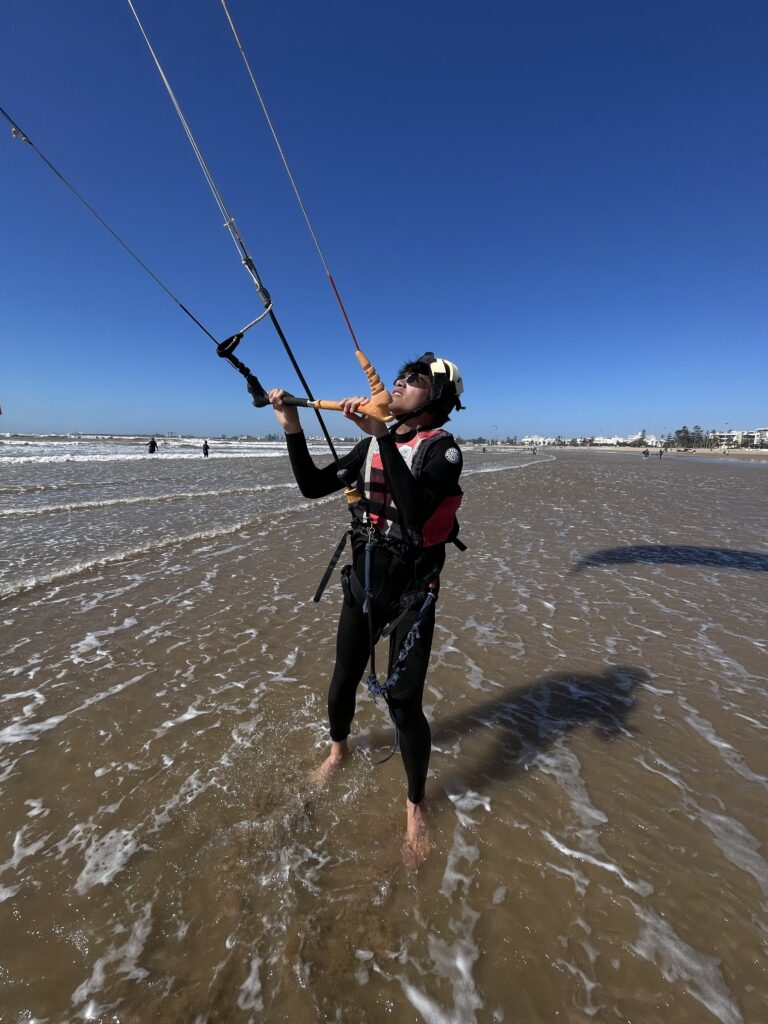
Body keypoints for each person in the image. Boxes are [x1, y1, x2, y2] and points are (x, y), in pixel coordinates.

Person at [268, 353, 464, 868]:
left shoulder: (443, 451)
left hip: (411, 597)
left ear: (437, 399)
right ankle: (338, 752)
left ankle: (415, 804)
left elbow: (418, 509)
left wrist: (379, 435)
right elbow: (312, 485)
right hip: (364, 585)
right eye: (399, 377)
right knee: (342, 679)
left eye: (415, 381)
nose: (399, 383)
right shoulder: (373, 443)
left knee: (403, 705)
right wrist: (292, 426)